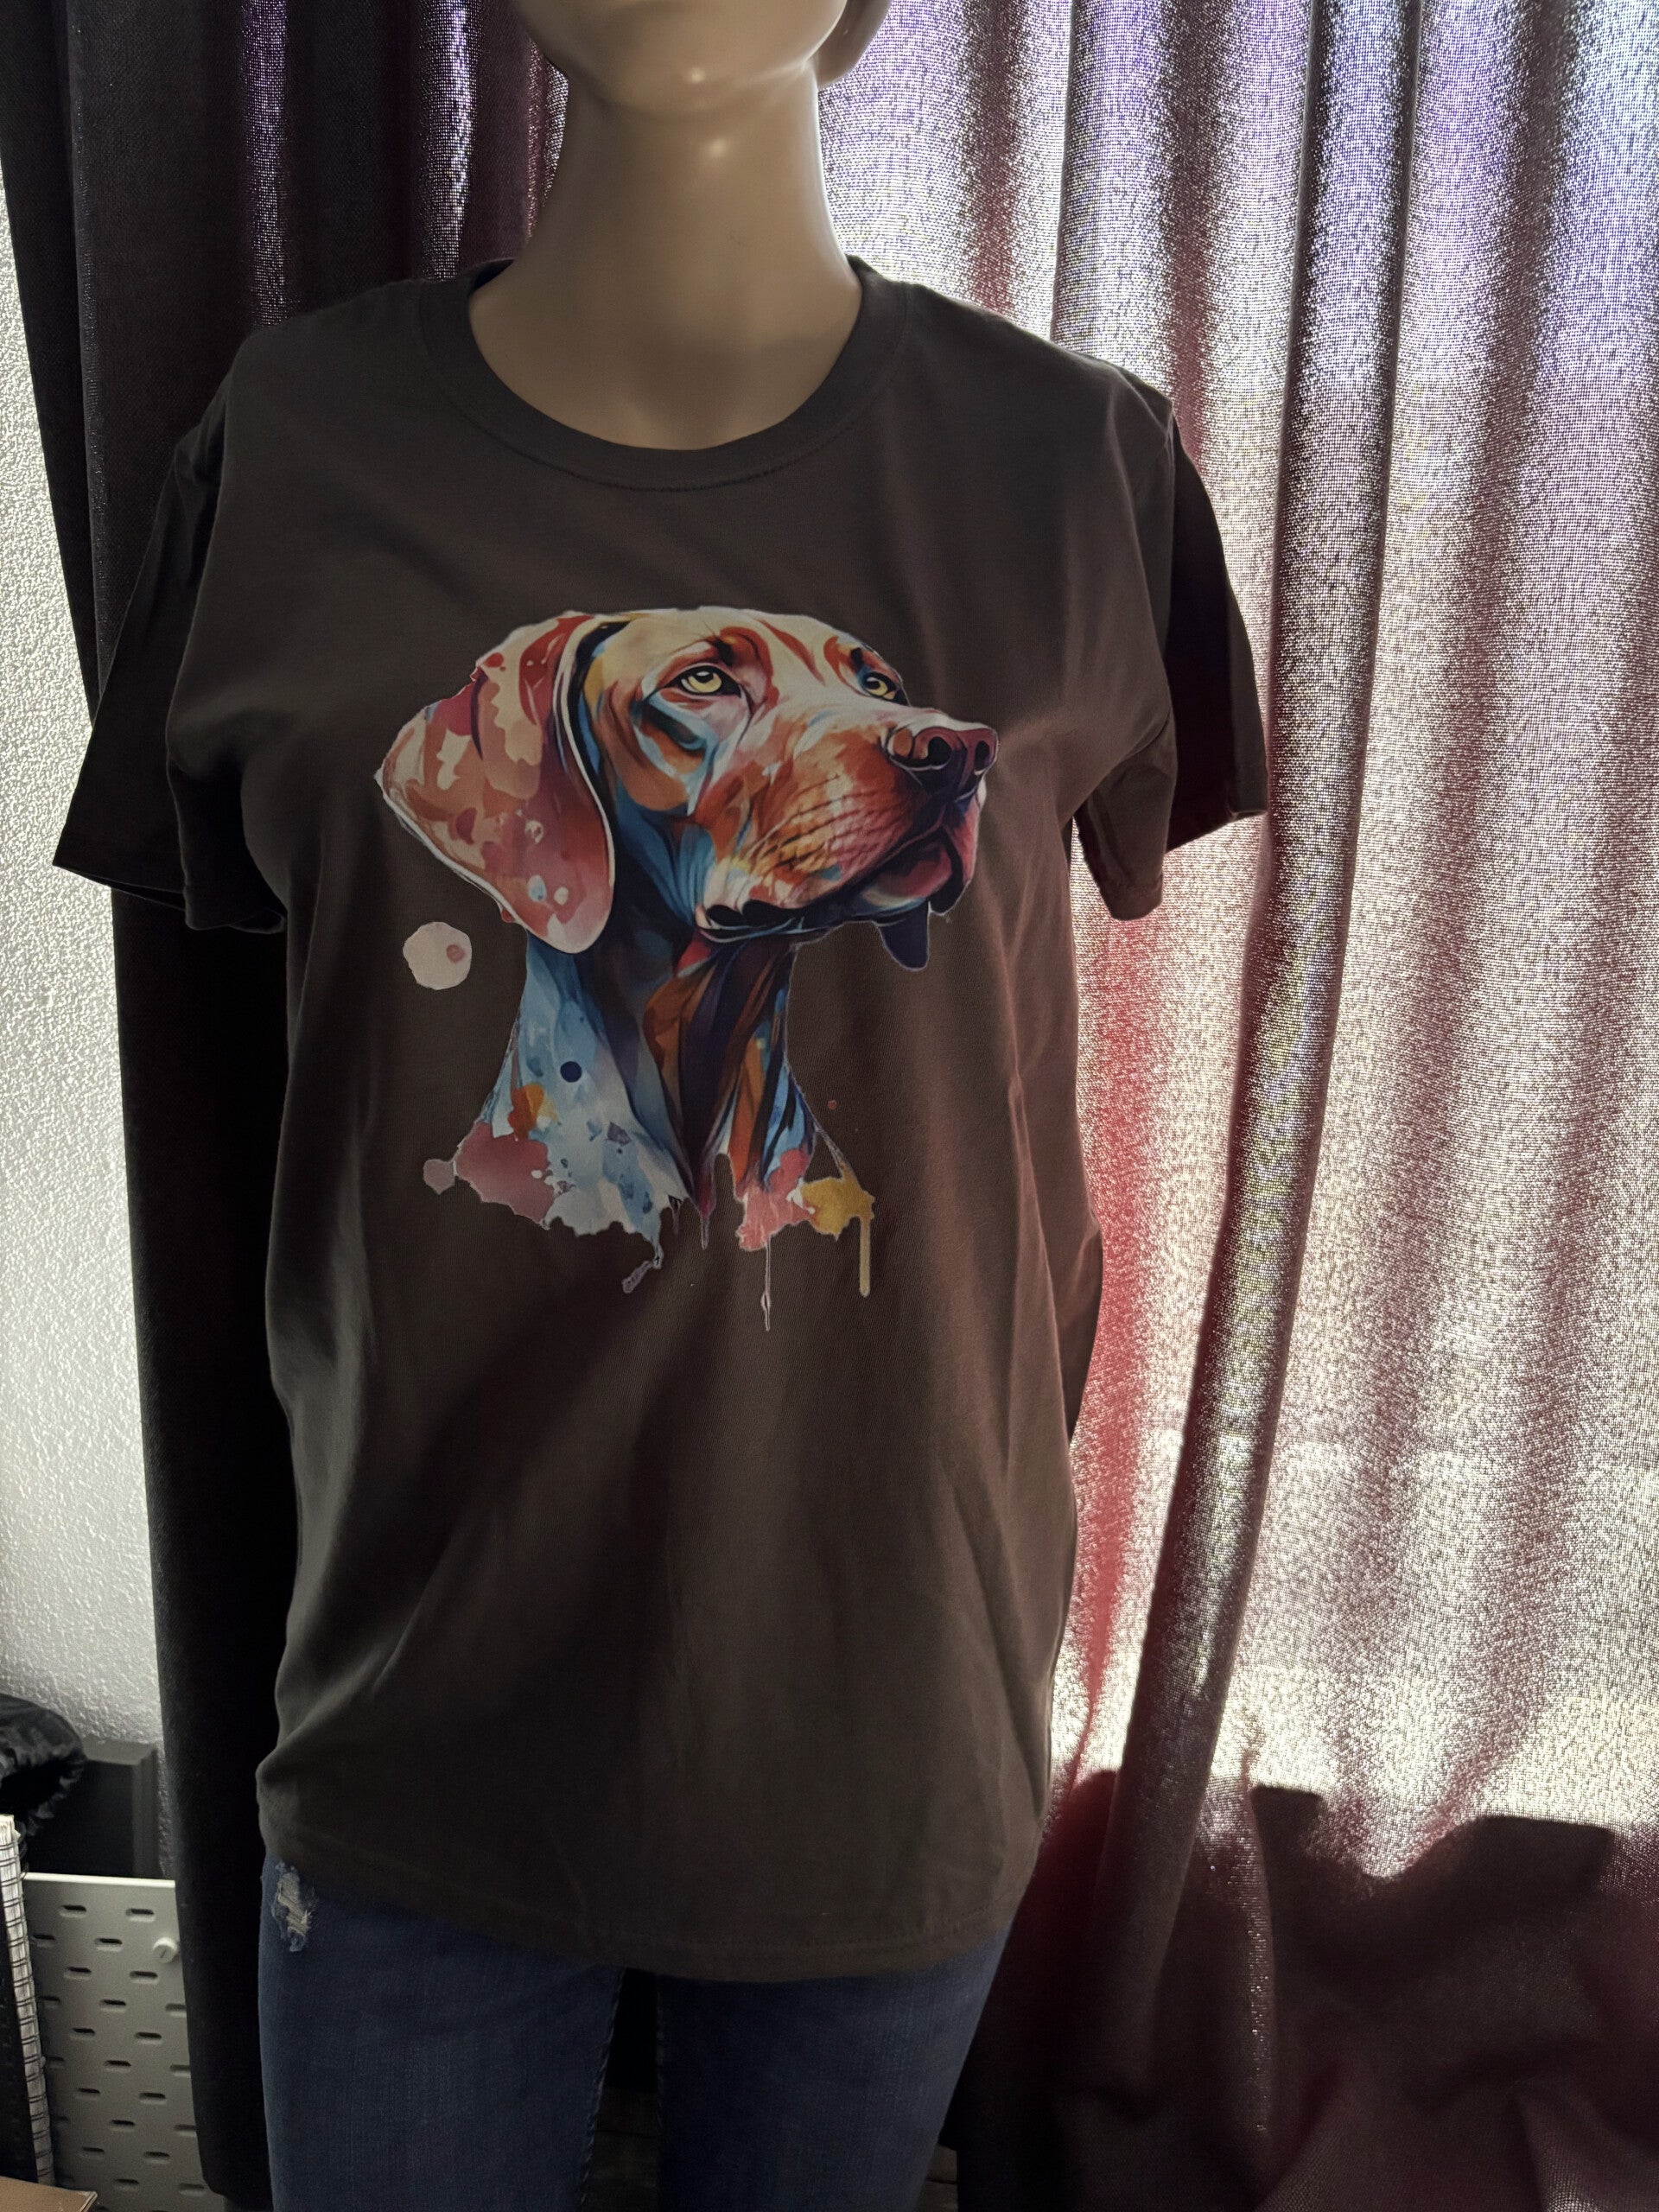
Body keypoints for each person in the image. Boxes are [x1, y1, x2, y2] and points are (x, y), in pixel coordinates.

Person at [52, 1, 1267, 2204]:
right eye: (727, 691)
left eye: (874, 705)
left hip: (893, 1708)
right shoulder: (293, 445)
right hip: (421, 1721)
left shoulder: (1078, 466)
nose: (889, 740)